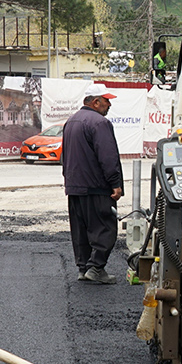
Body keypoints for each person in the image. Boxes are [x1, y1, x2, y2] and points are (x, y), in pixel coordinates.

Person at [61, 90, 124, 284]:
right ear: (96, 102)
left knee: (80, 229)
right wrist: (115, 183)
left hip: (75, 186)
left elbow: (65, 156)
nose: (109, 105)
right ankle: (96, 267)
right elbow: (107, 156)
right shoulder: (99, 123)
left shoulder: (71, 121)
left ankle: (83, 268)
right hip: (96, 186)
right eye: (107, 101)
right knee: (105, 226)